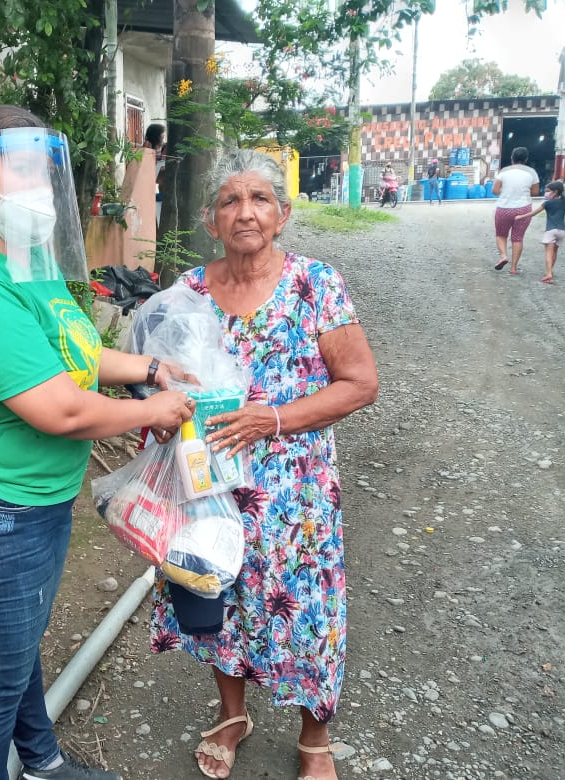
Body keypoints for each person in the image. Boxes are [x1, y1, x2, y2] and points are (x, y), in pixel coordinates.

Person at [0, 105, 195, 780]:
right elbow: (61, 409)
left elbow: (74, 352)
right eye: (21, 170)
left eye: (45, 173)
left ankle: (41, 764)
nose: (38, 188)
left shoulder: (25, 262)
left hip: (30, 500)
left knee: (16, 651)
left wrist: (150, 368)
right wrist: (151, 409)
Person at [147, 149, 379, 780]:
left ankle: (315, 738)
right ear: (210, 219)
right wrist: (159, 412)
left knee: (306, 609)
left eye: (259, 199)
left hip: (295, 491)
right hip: (209, 486)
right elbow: (160, 378)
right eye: (230, 200)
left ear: (283, 214)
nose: (245, 212)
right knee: (216, 595)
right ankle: (232, 715)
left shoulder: (315, 284)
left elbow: (360, 383)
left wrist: (270, 419)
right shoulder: (189, 292)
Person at [514, 180, 565, 284]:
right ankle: (550, 270)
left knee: (548, 253)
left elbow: (534, 213)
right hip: (562, 232)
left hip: (551, 231)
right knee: (555, 252)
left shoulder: (547, 203)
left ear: (555, 192)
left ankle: (548, 274)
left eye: (548, 191)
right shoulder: (564, 202)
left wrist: (520, 216)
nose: (546, 193)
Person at [491, 146, 540, 273]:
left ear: (512, 158)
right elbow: (535, 192)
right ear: (526, 159)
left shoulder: (504, 172)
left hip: (504, 208)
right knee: (518, 238)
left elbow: (495, 190)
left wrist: (506, 191)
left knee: (501, 234)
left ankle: (504, 256)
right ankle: (513, 268)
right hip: (524, 209)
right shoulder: (532, 173)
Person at [144, 123, 167, 226]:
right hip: (150, 181)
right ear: (156, 135)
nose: (163, 138)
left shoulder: (163, 148)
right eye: (162, 135)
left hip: (159, 183)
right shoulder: (148, 147)